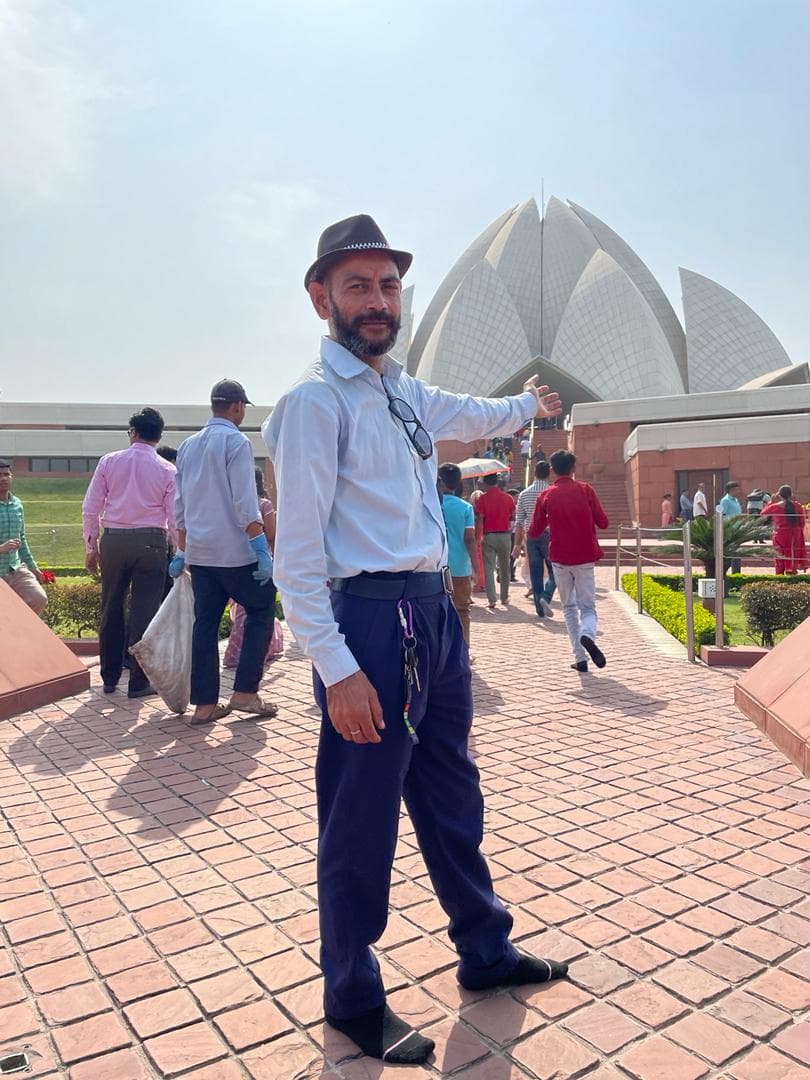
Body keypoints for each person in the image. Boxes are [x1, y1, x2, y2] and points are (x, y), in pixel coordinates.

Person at [263, 213, 568, 1066]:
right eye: (357, 285)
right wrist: (336, 668)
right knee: (360, 815)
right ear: (320, 295)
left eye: (389, 285)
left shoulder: (402, 393)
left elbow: (475, 410)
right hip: (367, 621)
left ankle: (484, 948)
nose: (377, 301)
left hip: (432, 613)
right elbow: (296, 561)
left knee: (450, 791)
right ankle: (352, 992)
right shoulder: (312, 405)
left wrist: (526, 406)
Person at [171, 380, 276, 725]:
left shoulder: (188, 445)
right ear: (237, 407)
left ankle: (204, 704)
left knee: (205, 625)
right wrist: (260, 547)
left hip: (201, 554)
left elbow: (180, 502)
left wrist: (181, 550)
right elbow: (244, 500)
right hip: (236, 552)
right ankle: (245, 692)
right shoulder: (236, 441)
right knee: (261, 611)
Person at [82, 408, 176, 698]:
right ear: (159, 436)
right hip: (151, 540)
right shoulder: (168, 469)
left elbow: (91, 506)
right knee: (144, 611)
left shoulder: (109, 461)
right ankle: (138, 681)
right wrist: (177, 549)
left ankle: (110, 676)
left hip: (114, 540)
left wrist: (90, 546)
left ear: (133, 432)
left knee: (111, 607)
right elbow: (174, 516)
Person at [529, 449, 609, 672]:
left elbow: (534, 530)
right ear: (573, 468)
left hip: (560, 557)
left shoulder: (546, 495)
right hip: (584, 555)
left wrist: (550, 520)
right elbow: (603, 522)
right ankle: (588, 634)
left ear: (553, 470)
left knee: (569, 607)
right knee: (588, 608)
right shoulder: (585, 490)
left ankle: (580, 657)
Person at [223, 467, 284, 667]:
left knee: (239, 608)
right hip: (259, 560)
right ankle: (254, 653)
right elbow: (272, 534)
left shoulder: (230, 505)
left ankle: (236, 653)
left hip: (234, 560)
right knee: (258, 610)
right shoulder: (264, 505)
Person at [0, 459, 48, 615]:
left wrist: (34, 568)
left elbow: (22, 539)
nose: (3, 478)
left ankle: (16, 633)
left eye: (6, 474)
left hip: (15, 569)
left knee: (38, 598)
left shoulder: (17, 505)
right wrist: (2, 548)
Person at [437, 463, 476, 645]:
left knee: (437, 612)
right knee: (462, 611)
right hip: (460, 567)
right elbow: (469, 539)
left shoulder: (432, 504)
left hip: (435, 567)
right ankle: (463, 651)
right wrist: (476, 567)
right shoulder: (466, 507)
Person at [512, 461, 554, 618]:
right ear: (549, 473)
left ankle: (539, 607)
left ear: (534, 472)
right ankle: (546, 596)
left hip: (531, 536)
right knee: (554, 569)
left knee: (535, 573)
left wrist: (516, 544)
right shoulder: (551, 492)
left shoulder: (524, 494)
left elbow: (519, 522)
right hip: (550, 535)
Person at [475, 473, 516, 609]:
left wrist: (477, 536)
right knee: (505, 568)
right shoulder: (508, 498)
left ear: (486, 483)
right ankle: (504, 597)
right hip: (505, 536)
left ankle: (492, 599)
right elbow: (512, 517)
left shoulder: (482, 499)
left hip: (489, 535)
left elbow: (480, 519)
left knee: (488, 568)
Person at [761, 486, 808, 574]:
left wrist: (771, 502)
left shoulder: (774, 506)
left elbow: (762, 515)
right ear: (791, 494)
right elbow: (802, 521)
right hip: (795, 534)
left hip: (780, 534)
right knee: (793, 554)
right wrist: (798, 531)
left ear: (779, 495)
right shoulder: (797, 505)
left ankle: (780, 574)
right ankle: (792, 573)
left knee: (779, 555)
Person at [719, 481, 743, 573]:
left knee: (737, 552)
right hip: (730, 530)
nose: (739, 491)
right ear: (731, 490)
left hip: (737, 530)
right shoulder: (725, 501)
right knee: (732, 552)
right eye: (737, 489)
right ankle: (730, 572)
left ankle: (736, 572)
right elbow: (722, 515)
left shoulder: (735, 500)